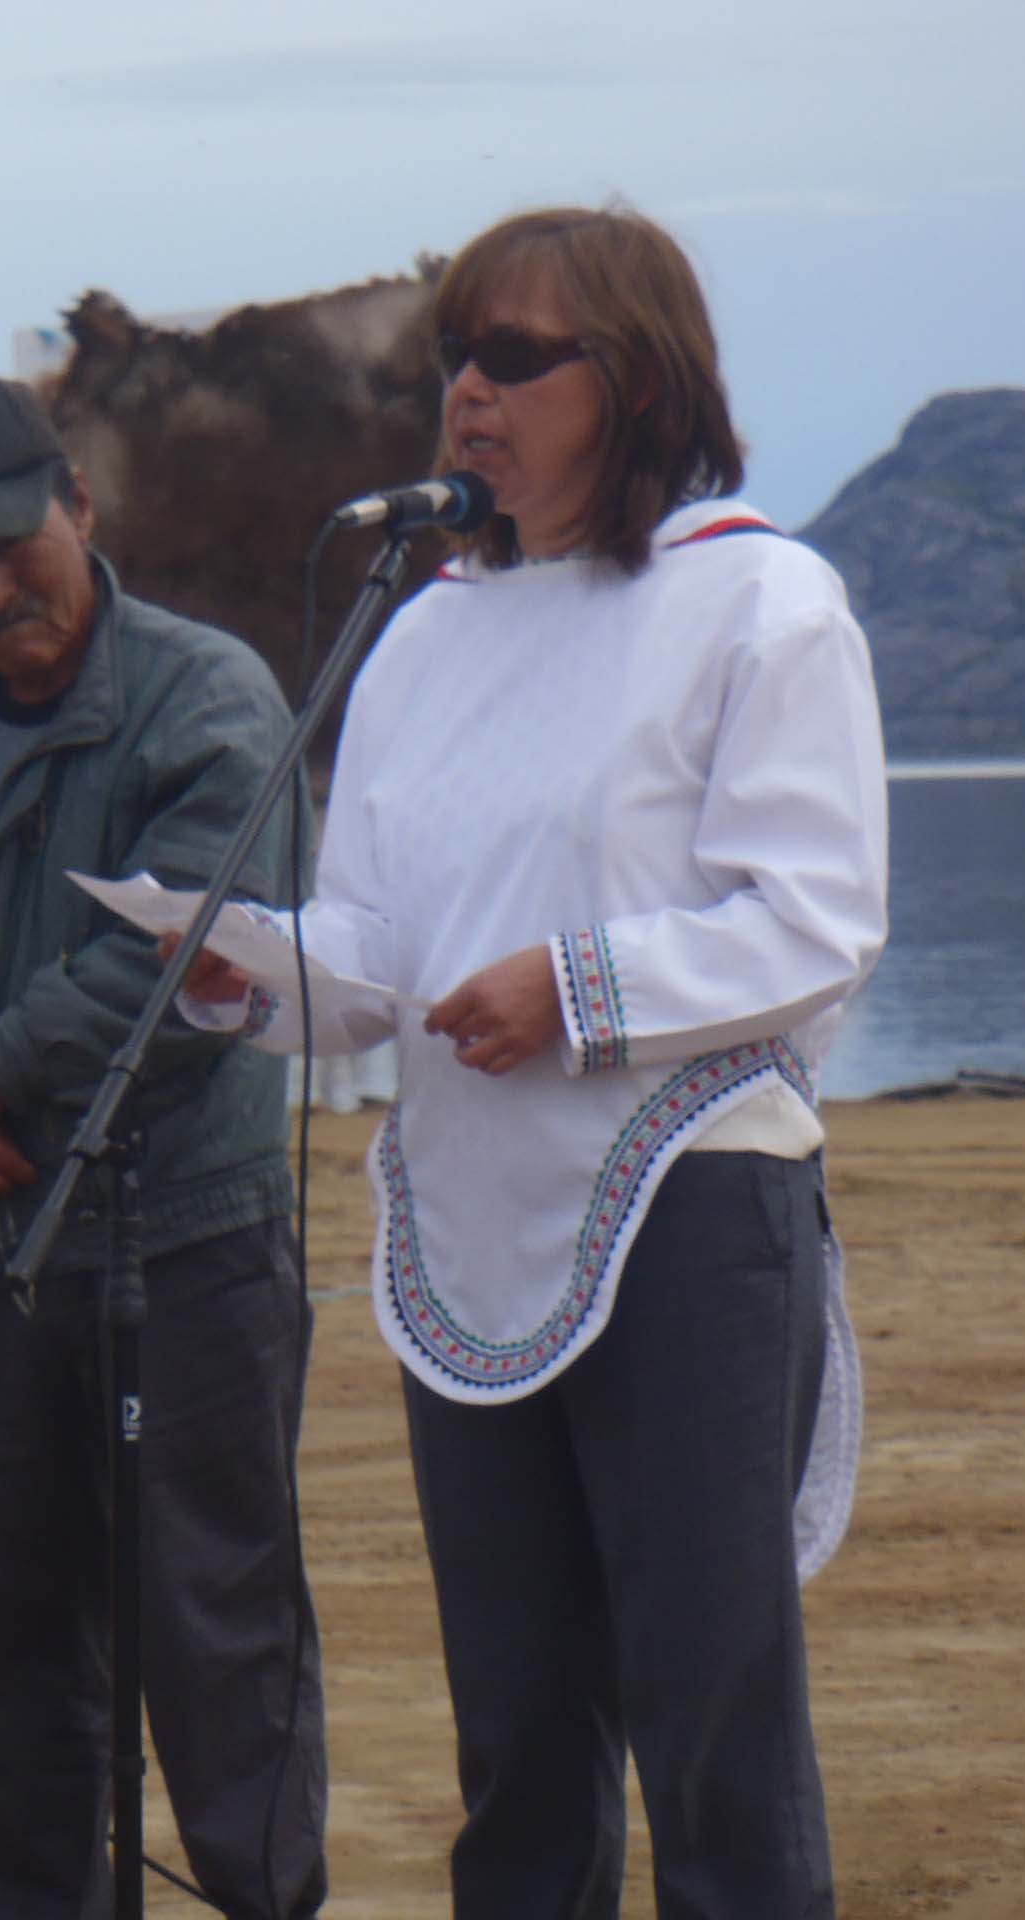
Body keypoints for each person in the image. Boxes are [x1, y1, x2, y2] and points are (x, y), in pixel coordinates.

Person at [176, 205, 887, 1917]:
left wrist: (578, 988)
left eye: (515, 358)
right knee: (515, 1736)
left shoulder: (761, 599)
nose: (468, 398)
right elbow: (375, 955)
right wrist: (240, 980)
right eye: (454, 361)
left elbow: (820, 915)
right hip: (472, 1212)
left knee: (712, 1728)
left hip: (689, 1205)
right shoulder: (419, 631)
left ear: (636, 381)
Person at [0, 366, 327, 1920]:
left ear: (78, 510)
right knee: (20, 1650)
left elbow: (201, 954)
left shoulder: (212, 695)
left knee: (220, 1635)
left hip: (194, 1250)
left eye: (6, 547)